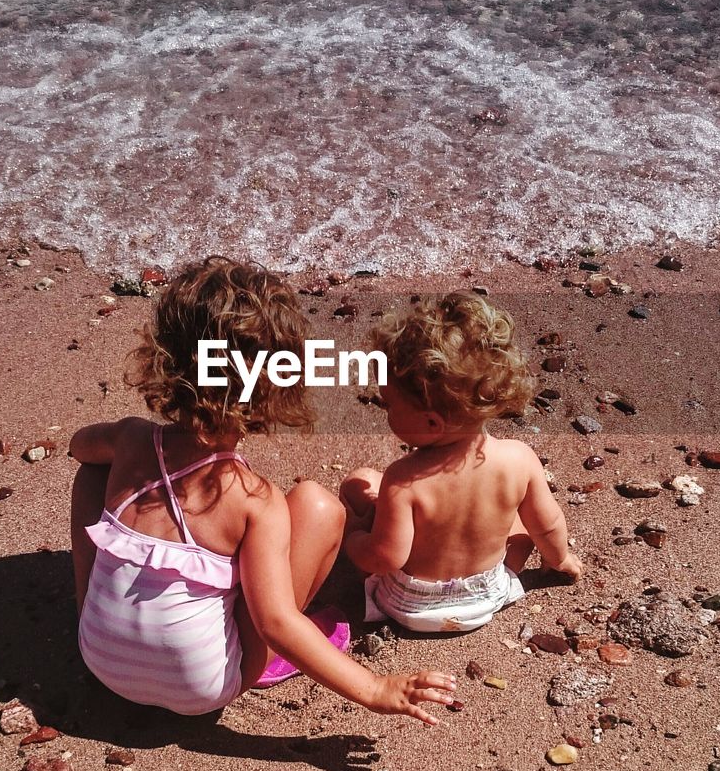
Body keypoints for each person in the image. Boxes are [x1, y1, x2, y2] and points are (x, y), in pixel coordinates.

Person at [70, 256, 456, 723]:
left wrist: (129, 457)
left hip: (98, 660)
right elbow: (275, 621)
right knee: (318, 506)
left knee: (93, 472)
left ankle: (96, 612)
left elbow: (78, 448)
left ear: (166, 361)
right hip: (206, 688)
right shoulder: (254, 499)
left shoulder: (131, 438)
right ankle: (269, 661)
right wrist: (375, 688)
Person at [341, 291, 583, 633]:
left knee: (360, 480)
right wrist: (560, 559)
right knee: (522, 524)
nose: (387, 414)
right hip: (486, 599)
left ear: (431, 423)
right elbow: (548, 525)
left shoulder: (404, 480)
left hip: (411, 607)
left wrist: (352, 535)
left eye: (390, 405)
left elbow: (384, 558)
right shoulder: (518, 459)